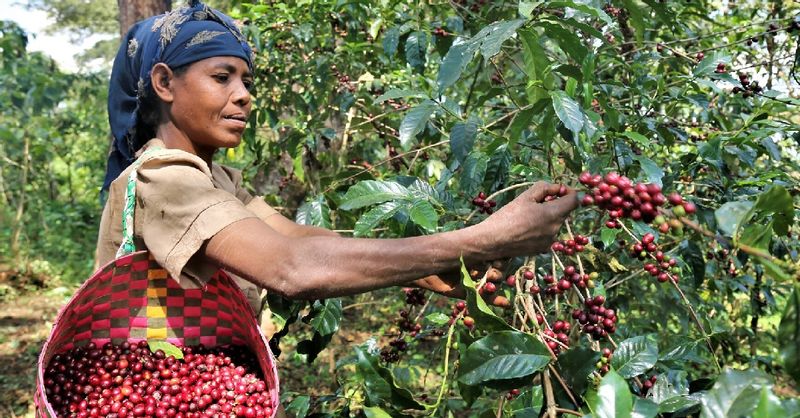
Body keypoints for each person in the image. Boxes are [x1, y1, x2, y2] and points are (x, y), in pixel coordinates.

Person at [95, 0, 577, 414]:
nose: (244, 94)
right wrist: (484, 239)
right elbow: (291, 268)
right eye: (222, 77)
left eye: (245, 79)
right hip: (160, 391)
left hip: (196, 391)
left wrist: (425, 269)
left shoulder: (215, 179)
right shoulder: (164, 177)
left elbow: (295, 238)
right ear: (163, 82)